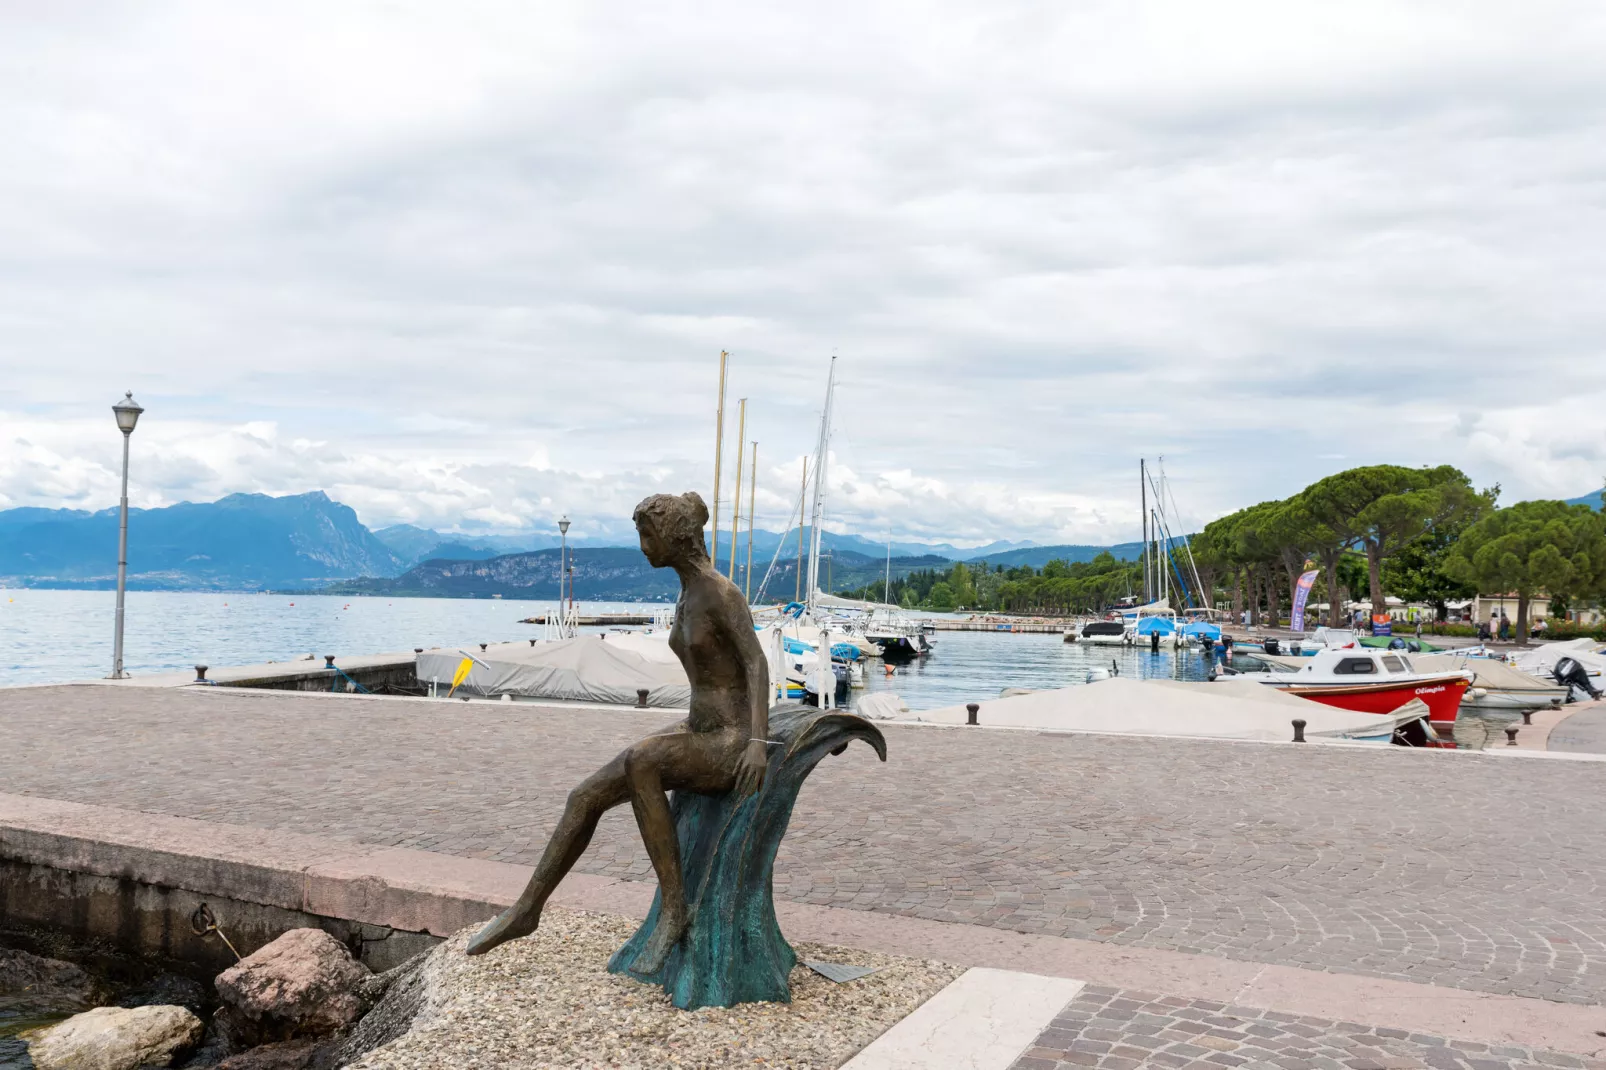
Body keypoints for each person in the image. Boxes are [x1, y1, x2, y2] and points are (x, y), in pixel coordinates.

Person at [466, 491, 771, 972]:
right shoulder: (687, 593)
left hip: (729, 742)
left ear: (673, 536)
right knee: (584, 795)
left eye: (647, 535)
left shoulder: (718, 592)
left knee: (642, 760)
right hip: (700, 730)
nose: (643, 546)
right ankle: (526, 910)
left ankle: (676, 910)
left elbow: (756, 662)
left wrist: (757, 743)